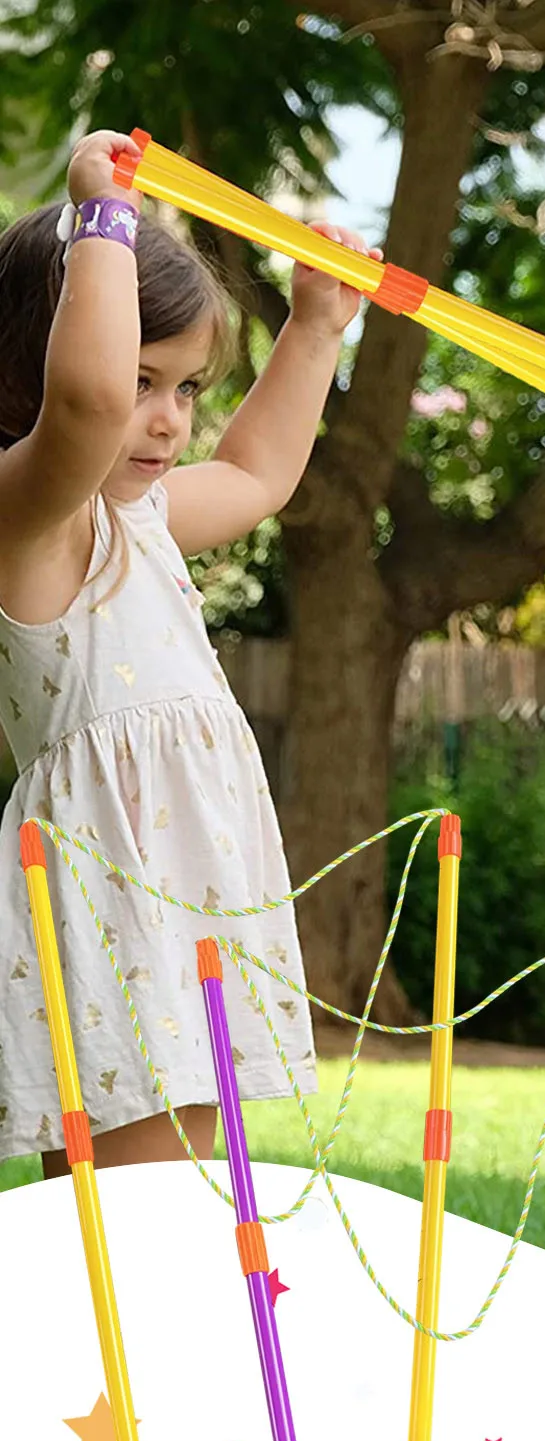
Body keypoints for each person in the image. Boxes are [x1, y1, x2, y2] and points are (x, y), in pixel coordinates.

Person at [0, 129, 379, 1177]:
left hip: (183, 884)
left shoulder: (144, 518)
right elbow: (79, 411)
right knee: (126, 1203)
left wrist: (312, 327)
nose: (165, 420)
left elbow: (257, 474)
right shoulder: (32, 519)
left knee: (190, 1179)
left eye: (186, 389)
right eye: (142, 380)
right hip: (109, 890)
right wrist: (101, 220)